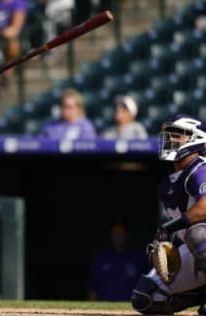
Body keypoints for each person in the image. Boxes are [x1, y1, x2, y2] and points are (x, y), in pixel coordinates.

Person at [130, 113, 206, 315]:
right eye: (169, 134)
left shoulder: (200, 169)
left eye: (177, 135)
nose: (171, 139)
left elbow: (205, 208)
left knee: (197, 234)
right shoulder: (167, 183)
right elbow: (181, 230)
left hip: (201, 239)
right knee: (145, 296)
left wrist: (168, 228)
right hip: (197, 250)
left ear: (195, 138)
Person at [88, 220, 149, 301]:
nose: (117, 235)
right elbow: (93, 289)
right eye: (115, 232)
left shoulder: (140, 259)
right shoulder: (102, 259)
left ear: (128, 234)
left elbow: (147, 288)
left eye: (121, 232)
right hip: (104, 308)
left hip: (131, 308)